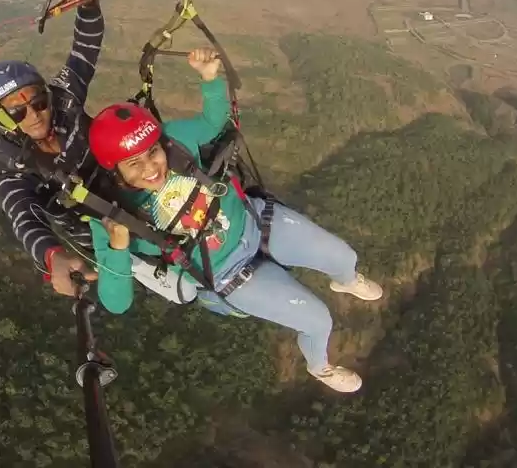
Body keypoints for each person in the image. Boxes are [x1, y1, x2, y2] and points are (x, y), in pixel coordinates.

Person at [86, 48, 384, 393]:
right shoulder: (111, 216)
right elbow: (116, 302)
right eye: (134, 164)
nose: (152, 167)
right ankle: (321, 367)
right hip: (227, 273)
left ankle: (345, 279)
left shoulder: (174, 141)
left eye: (152, 152)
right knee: (319, 320)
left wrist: (210, 79)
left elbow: (213, 124)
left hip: (255, 222)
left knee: (343, 257)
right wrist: (119, 247)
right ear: (115, 172)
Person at [0, 0, 103, 297]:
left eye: (37, 103)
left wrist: (88, 6)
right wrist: (54, 255)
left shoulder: (64, 99)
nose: (34, 115)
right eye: (17, 113)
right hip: (105, 234)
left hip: (139, 183)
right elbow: (22, 214)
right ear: (2, 118)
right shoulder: (12, 162)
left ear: (47, 95)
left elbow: (84, 51)